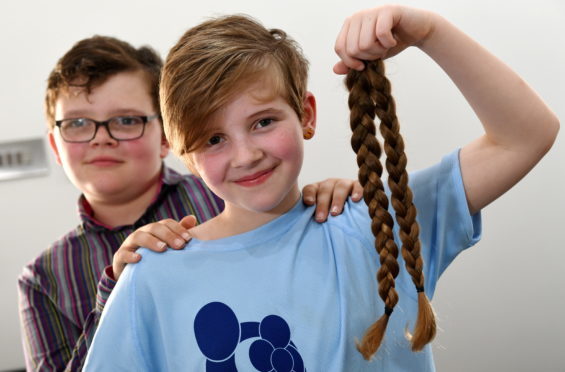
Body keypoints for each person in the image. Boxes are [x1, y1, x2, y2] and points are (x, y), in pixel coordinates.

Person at [83, 4, 559, 371]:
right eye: (213, 138)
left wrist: (427, 31)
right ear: (183, 152)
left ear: (306, 114)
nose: (246, 154)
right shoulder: (153, 277)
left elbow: (525, 136)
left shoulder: (376, 223)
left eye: (264, 121)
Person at [17, 35, 362, 372]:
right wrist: (120, 296)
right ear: (55, 145)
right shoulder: (43, 278)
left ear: (168, 138)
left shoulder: (231, 187)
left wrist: (334, 197)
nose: (102, 138)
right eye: (77, 124)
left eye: (126, 120)